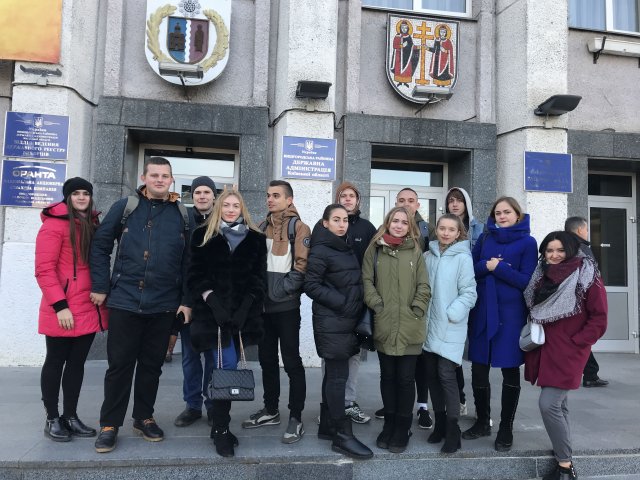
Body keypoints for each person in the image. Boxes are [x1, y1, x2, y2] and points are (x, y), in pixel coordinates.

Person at [90, 157, 195, 453]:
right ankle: (110, 424)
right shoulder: (126, 207)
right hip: (125, 300)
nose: (160, 180)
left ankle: (143, 417)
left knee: (152, 366)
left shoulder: (183, 214)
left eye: (165, 176)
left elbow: (190, 262)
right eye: (154, 175)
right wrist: (100, 285)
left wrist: (186, 301)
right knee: (119, 366)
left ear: (172, 180)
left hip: (164, 304)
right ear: (144, 178)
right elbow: (100, 245)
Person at [188, 189, 267, 457]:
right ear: (218, 207)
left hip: (241, 318)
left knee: (225, 369)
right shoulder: (202, 235)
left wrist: (245, 308)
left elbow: (258, 279)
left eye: (236, 205)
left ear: (242, 209)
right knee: (225, 366)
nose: (231, 210)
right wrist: (213, 303)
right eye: (226, 205)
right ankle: (221, 429)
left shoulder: (256, 238)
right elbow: (195, 275)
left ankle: (219, 425)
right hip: (212, 317)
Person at [524, 231, 607, 480]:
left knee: (548, 404)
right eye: (549, 250)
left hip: (569, 350)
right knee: (559, 405)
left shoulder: (586, 274)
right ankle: (563, 452)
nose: (554, 255)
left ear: (571, 250)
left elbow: (600, 318)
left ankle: (565, 466)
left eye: (560, 250)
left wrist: (577, 343)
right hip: (545, 349)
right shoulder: (541, 274)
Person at [35, 177, 108, 442]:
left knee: (77, 364)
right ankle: (52, 418)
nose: (81, 197)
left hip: (88, 304)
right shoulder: (54, 225)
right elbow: (44, 270)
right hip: (63, 307)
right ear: (67, 197)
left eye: (85, 193)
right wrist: (60, 306)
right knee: (55, 361)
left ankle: (70, 416)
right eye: (76, 193)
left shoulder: (92, 224)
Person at [463, 196, 538, 452]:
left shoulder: (528, 242)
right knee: (478, 368)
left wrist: (498, 268)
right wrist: (488, 265)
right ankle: (482, 421)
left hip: (511, 315)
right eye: (498, 213)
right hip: (483, 311)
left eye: (506, 212)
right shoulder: (486, 238)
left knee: (509, 370)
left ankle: (506, 427)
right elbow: (471, 268)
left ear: (517, 215)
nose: (502, 216)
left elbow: (526, 281)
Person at [242, 180, 311, 445]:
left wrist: (281, 291)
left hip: (286, 307)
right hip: (263, 309)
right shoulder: (261, 226)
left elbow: (302, 266)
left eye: (276, 195)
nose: (270, 199)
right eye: (268, 195)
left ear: (289, 200)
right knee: (267, 360)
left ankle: (296, 416)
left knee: (292, 362)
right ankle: (271, 410)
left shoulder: (299, 227)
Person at [304, 204, 374, 459]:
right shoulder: (322, 248)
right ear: (325, 223)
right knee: (337, 378)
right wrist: (343, 303)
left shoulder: (343, 245)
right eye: (336, 219)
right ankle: (342, 435)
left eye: (344, 220)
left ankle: (327, 426)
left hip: (343, 322)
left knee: (333, 377)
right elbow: (311, 285)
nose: (342, 224)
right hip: (333, 322)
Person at [363, 206, 431, 453]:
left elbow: (424, 285)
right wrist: (377, 305)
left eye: (404, 222)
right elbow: (366, 280)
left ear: (409, 226)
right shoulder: (375, 249)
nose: (399, 225)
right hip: (384, 323)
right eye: (395, 221)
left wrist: (417, 309)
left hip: (410, 325)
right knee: (388, 377)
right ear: (387, 222)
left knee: (405, 379)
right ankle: (389, 424)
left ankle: (403, 427)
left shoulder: (415, 250)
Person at [423, 214, 477, 454]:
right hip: (427, 327)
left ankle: (453, 429)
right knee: (432, 376)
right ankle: (440, 424)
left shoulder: (463, 258)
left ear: (458, 233)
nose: (445, 233)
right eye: (442, 228)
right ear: (436, 230)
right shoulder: (428, 256)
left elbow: (469, 292)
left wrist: (451, 313)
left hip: (449, 325)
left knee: (446, 375)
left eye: (451, 229)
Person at [173, 176, 218, 428]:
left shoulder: (222, 221)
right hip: (188, 302)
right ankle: (192, 406)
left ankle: (212, 405)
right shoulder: (184, 220)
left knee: (212, 358)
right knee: (190, 358)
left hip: (212, 306)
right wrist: (185, 301)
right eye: (198, 192)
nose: (202, 196)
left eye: (206, 192)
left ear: (214, 196)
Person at [389, 187, 435, 430]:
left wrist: (419, 304)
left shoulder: (427, 230)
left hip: (419, 304)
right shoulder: (388, 229)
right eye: (401, 200)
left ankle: (423, 406)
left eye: (411, 200)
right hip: (394, 306)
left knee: (419, 361)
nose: (406, 204)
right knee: (397, 363)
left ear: (417, 205)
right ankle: (396, 405)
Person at [334, 182, 377, 424]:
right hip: (332, 303)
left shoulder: (367, 228)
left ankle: (348, 402)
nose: (348, 199)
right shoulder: (325, 225)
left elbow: (374, 265)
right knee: (331, 354)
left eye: (352, 196)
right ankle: (330, 404)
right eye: (344, 195)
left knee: (353, 354)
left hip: (358, 303)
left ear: (358, 200)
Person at [444, 186, 485, 417]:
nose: (455, 204)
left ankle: (482, 409)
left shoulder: (479, 229)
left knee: (476, 355)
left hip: (473, 294)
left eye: (459, 200)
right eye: (451, 200)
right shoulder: (443, 228)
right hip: (450, 297)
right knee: (454, 354)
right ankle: (459, 399)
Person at [564, 216, 609, 388]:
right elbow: (592, 278)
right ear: (579, 230)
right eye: (587, 229)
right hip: (580, 304)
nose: (587, 232)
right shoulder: (582, 249)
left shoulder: (562, 246)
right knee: (582, 338)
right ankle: (590, 374)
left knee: (579, 339)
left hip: (567, 303)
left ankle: (591, 372)